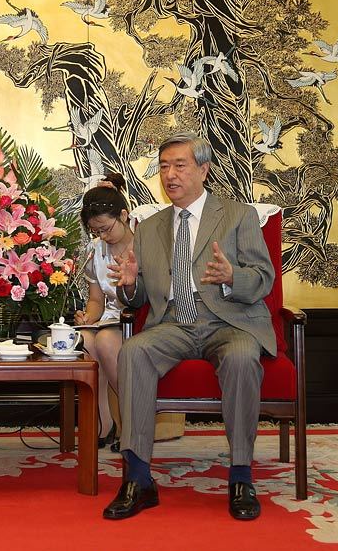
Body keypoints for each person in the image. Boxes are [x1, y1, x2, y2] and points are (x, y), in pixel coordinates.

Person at [104, 132, 275, 522]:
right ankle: (138, 478)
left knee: (242, 357)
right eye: (164, 167)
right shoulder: (149, 228)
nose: (170, 175)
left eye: (180, 165)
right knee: (133, 350)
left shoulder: (237, 215)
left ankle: (241, 476)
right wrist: (130, 285)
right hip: (174, 322)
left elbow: (264, 278)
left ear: (203, 169)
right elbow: (141, 298)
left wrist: (232, 276)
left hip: (228, 320)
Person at [76, 174, 132, 450]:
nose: (102, 236)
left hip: (139, 317)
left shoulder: (146, 244)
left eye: (106, 229)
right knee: (85, 340)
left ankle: (130, 422)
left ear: (124, 215)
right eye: (96, 231)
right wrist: (88, 316)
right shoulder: (96, 250)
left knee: (106, 341)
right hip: (110, 317)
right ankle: (103, 422)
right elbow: (97, 300)